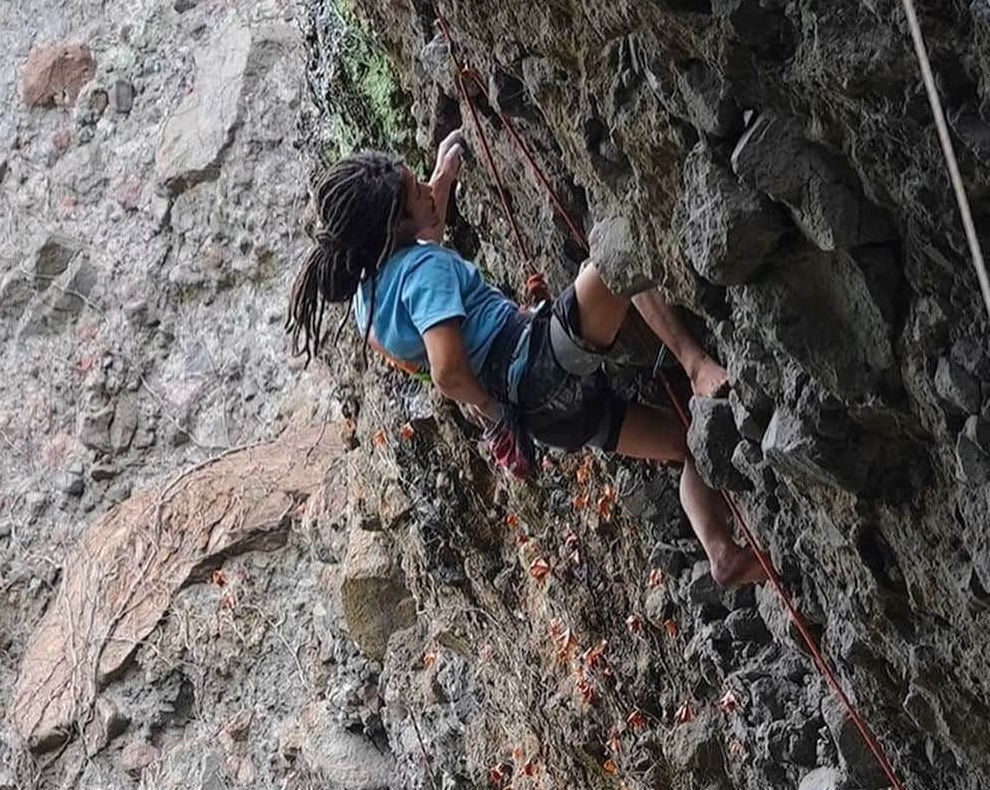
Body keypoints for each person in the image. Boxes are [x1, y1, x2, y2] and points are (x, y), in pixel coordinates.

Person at [287, 133, 763, 588]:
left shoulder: (369, 304)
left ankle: (721, 553)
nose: (426, 188)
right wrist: (497, 417)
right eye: (416, 190)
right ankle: (697, 364)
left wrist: (442, 178)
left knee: (687, 445)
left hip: (547, 421)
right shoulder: (423, 272)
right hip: (536, 362)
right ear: (394, 225)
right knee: (619, 248)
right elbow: (447, 370)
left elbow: (422, 238)